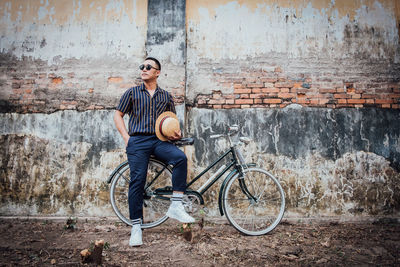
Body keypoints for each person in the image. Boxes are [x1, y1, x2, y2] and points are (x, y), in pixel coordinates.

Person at [113, 57, 195, 247]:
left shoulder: (166, 96)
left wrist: (175, 133)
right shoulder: (132, 93)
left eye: (148, 67)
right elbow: (118, 114)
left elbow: (171, 120)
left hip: (159, 140)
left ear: (157, 72)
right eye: (142, 66)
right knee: (138, 179)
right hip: (138, 141)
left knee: (180, 158)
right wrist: (126, 137)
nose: (144, 69)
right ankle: (136, 227)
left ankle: (176, 205)